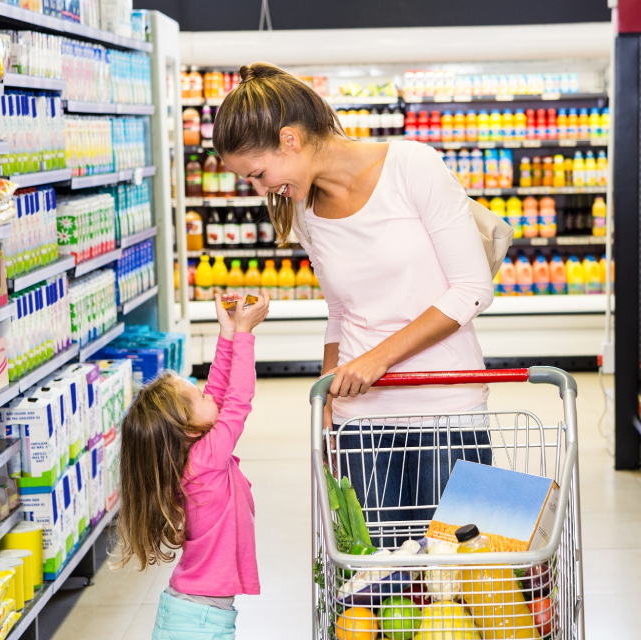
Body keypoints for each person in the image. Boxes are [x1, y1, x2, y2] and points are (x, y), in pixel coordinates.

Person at [213, 63, 495, 537]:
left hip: (446, 406)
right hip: (359, 419)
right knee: (378, 583)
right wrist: (328, 392)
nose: (262, 191)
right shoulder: (304, 212)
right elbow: (341, 311)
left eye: (259, 175)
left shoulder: (412, 167)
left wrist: (376, 361)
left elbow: (471, 289)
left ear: (290, 140)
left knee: (456, 580)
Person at [115, 293, 270, 640]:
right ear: (186, 428)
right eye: (198, 395)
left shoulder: (191, 457)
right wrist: (244, 335)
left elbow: (217, 390)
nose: (208, 393)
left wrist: (227, 332)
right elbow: (237, 401)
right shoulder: (204, 462)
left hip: (191, 614)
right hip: (198, 623)